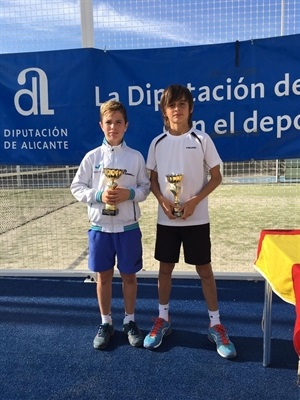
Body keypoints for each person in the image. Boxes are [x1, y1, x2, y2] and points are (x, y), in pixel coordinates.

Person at [143, 84, 237, 359]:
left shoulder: (202, 139)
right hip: (167, 221)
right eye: (172, 105)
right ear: (164, 110)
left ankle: (215, 324)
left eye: (182, 104)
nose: (177, 109)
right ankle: (163, 319)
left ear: (190, 108)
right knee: (165, 270)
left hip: (197, 220)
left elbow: (217, 176)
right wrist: (161, 199)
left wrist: (194, 201)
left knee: (205, 271)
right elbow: (152, 181)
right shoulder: (156, 143)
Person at [71, 100, 150, 350]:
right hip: (100, 229)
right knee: (103, 277)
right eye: (108, 122)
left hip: (128, 228)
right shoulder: (91, 157)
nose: (113, 127)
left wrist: (130, 195)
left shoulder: (135, 157)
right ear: (101, 125)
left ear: (126, 126)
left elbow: (145, 188)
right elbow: (76, 187)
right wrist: (98, 196)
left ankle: (129, 320)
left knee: (129, 276)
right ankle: (106, 322)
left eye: (118, 122)